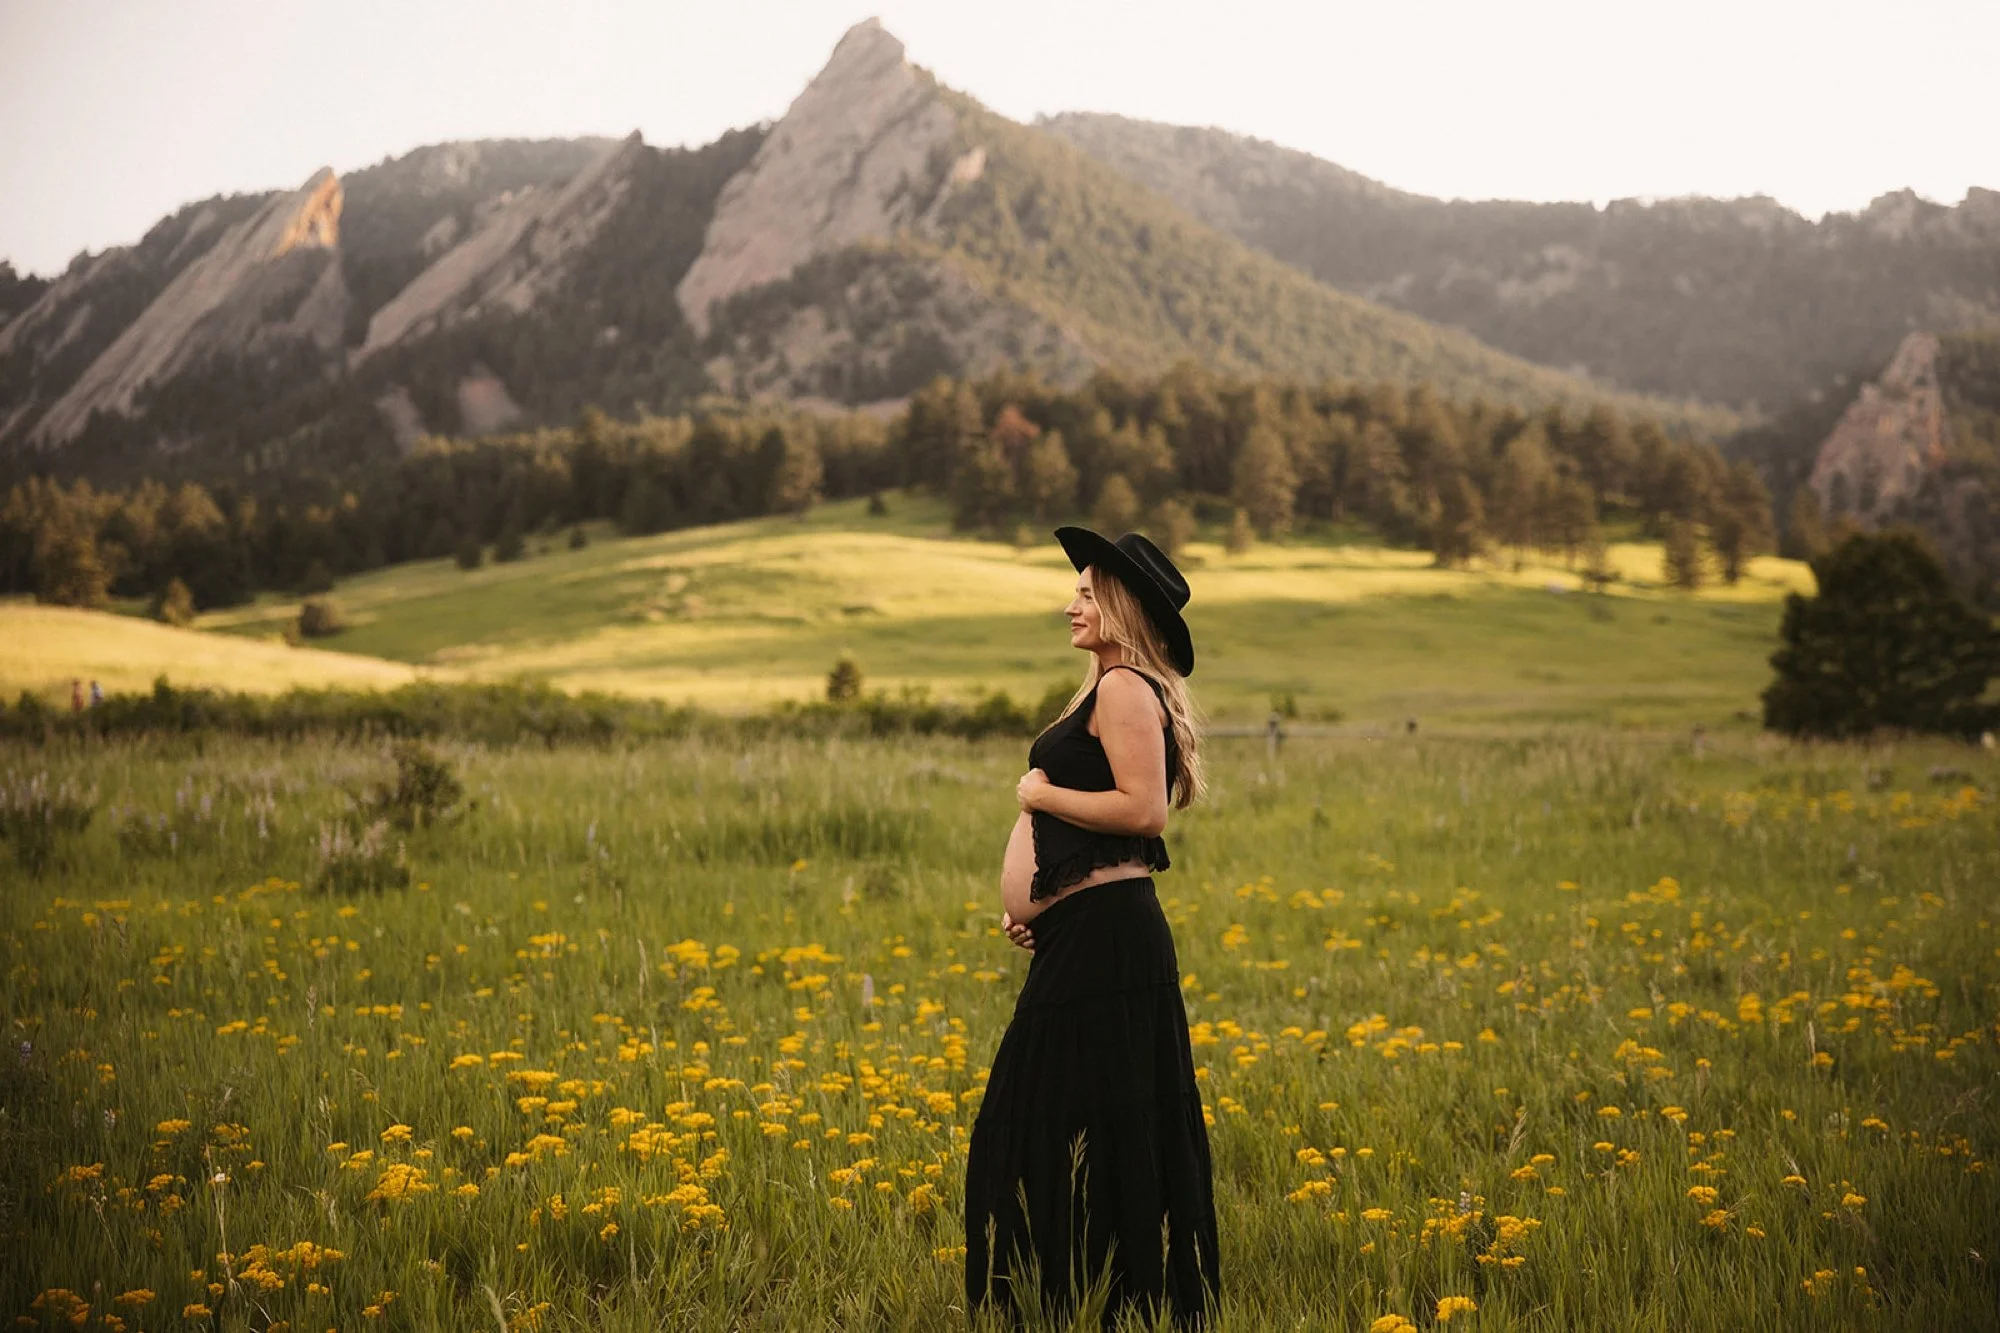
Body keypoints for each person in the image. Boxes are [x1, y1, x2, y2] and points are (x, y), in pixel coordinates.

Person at [965, 526, 1221, 1329]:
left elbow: (1143, 812)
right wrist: (1046, 900)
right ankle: (1092, 1295)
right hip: (1091, 931)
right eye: (1074, 589)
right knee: (1086, 1113)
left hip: (1112, 938)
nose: (1071, 602)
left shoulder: (1123, 689)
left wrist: (1039, 798)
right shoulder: (1104, 686)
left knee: (1032, 1115)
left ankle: (1090, 1296)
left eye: (1085, 590)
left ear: (1120, 604)